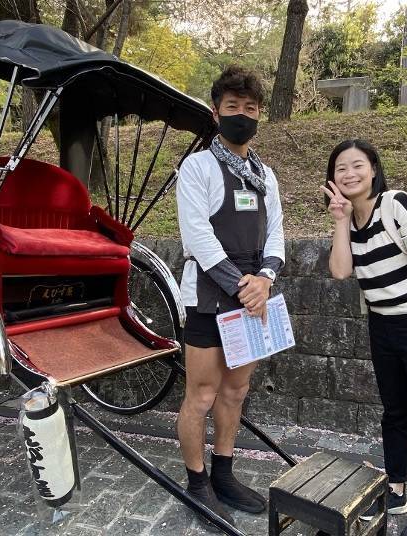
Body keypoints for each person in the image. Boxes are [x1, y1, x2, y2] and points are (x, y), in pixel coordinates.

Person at [321, 139, 407, 536]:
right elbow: (340, 271)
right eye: (341, 169)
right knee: (394, 413)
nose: (349, 174)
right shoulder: (348, 218)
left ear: (373, 168)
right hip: (382, 328)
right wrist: (339, 220)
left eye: (357, 165)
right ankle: (396, 489)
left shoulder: (395, 204)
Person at [175, 65, 285, 528]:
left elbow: (277, 232)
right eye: (233, 107)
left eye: (251, 109)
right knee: (200, 395)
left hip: (254, 298)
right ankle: (196, 482)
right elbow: (197, 234)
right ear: (216, 111)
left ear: (259, 116)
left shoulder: (265, 175)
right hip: (208, 296)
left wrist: (266, 279)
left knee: (236, 391)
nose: (243, 115)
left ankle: (224, 472)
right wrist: (243, 286)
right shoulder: (198, 167)